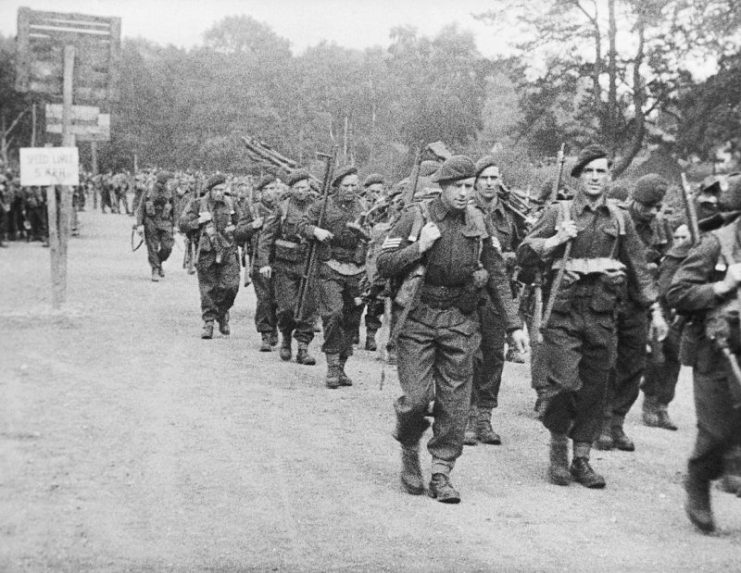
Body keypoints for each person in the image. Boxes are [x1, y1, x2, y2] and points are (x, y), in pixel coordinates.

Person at [377, 155, 527, 503]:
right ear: (441, 187)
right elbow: (383, 264)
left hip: (460, 319)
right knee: (415, 400)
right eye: (457, 186)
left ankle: (442, 471)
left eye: (468, 186)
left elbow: (497, 275)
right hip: (418, 318)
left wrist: (514, 325)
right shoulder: (416, 217)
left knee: (455, 403)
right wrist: (420, 246)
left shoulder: (479, 221)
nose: (464, 193)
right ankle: (410, 446)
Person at [517, 144, 664, 489]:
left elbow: (639, 268)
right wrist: (555, 240)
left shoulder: (619, 218)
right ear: (578, 177)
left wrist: (655, 310)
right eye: (590, 172)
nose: (596, 178)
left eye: (602, 171)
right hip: (563, 311)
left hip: (601, 314)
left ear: (609, 177)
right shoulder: (559, 212)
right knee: (564, 384)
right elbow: (524, 254)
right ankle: (557, 450)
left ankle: (581, 458)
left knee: (595, 390)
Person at [666, 172, 741, 533]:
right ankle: (698, 479)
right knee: (717, 431)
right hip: (717, 349)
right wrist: (722, 286)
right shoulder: (716, 245)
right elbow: (678, 292)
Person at [597, 174, 671, 451]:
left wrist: (656, 275)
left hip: (639, 304)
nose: (653, 212)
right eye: (648, 206)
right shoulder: (616, 218)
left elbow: (668, 261)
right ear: (634, 201)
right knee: (608, 362)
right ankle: (602, 422)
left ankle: (617, 422)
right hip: (610, 300)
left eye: (657, 207)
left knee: (634, 365)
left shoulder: (659, 227)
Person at [464, 156, 524, 446]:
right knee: (467, 355)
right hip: (467, 294)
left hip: (497, 296)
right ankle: (466, 415)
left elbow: (522, 250)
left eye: (494, 178)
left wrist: (507, 257)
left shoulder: (508, 216)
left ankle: (484, 417)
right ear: (475, 181)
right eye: (484, 178)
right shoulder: (465, 209)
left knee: (493, 356)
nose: (490, 183)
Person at [298, 166, 368, 388]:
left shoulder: (362, 206)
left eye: (354, 185)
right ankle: (332, 365)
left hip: (356, 269)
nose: (350, 189)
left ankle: (342, 366)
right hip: (329, 266)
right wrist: (315, 231)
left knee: (352, 319)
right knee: (333, 314)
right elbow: (301, 225)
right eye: (346, 185)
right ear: (337, 186)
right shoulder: (322, 205)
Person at [256, 169, 318, 365]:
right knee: (286, 307)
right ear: (290, 189)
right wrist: (264, 263)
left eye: (305, 188)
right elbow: (266, 238)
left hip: (309, 263)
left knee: (308, 307)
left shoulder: (317, 208)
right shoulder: (281, 208)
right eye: (297, 188)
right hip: (284, 265)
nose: (301, 192)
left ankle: (303, 348)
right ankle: (286, 338)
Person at [179, 174, 241, 339]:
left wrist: (235, 229)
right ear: (209, 190)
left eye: (222, 189)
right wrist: (199, 221)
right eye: (216, 190)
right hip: (206, 251)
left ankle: (221, 313)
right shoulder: (197, 204)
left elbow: (241, 223)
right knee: (207, 289)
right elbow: (182, 224)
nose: (220, 193)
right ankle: (209, 321)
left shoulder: (231, 203)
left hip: (228, 251)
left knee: (231, 287)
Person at [240, 174, 279, 351]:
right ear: (260, 192)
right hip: (258, 258)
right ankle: (266, 332)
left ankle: (275, 327)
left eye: (273, 189)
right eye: (266, 190)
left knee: (279, 297)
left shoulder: (282, 208)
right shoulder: (252, 209)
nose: (270, 193)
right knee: (264, 297)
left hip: (280, 258)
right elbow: (238, 234)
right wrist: (252, 226)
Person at [135, 171, 175, 282]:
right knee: (152, 247)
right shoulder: (148, 191)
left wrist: (175, 225)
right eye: (160, 183)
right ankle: (155, 269)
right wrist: (139, 225)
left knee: (168, 247)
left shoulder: (170, 192)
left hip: (166, 222)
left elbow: (175, 209)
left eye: (164, 183)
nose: (162, 185)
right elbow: (141, 208)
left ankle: (159, 262)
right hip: (151, 221)